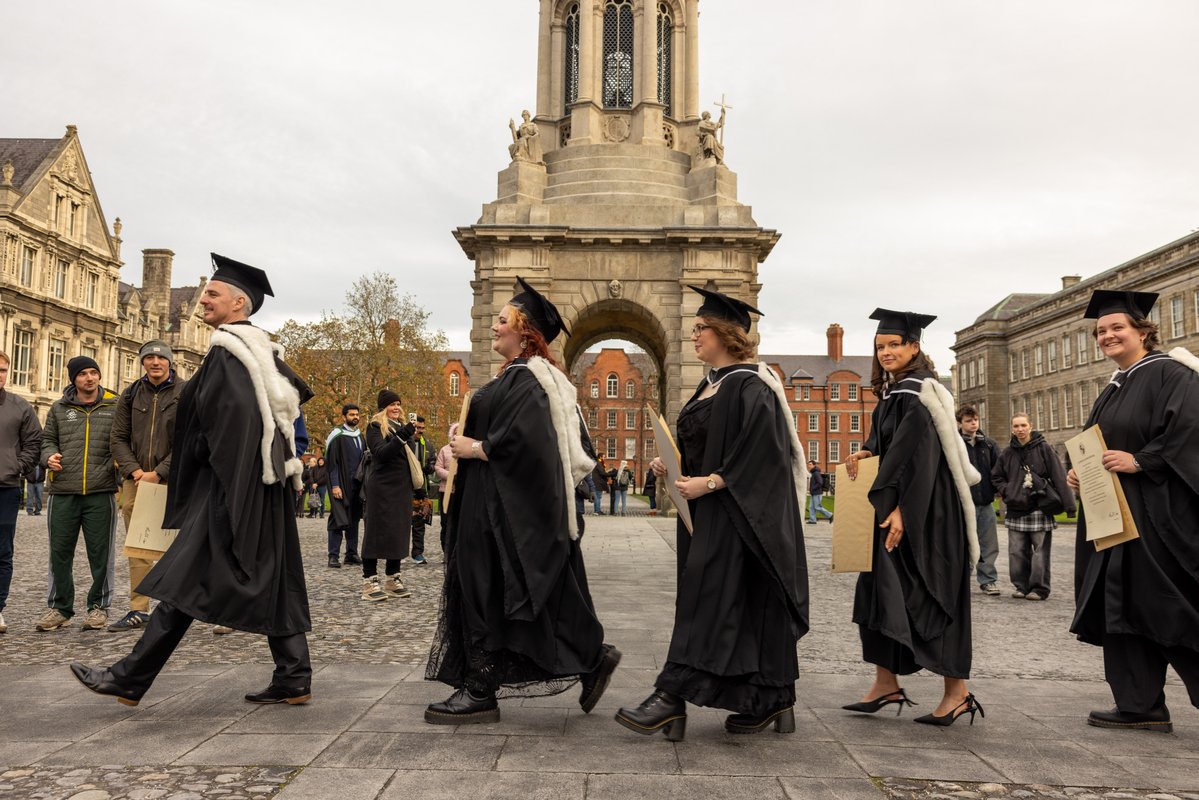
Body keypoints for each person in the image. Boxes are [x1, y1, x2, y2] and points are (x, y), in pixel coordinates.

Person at [70, 252, 314, 707]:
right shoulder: (262, 353)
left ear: (239, 303)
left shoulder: (228, 353)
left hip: (229, 489)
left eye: (213, 294)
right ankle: (294, 675)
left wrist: (214, 480)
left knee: (183, 583)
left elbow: (225, 427)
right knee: (275, 575)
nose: (203, 299)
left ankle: (129, 677)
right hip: (265, 487)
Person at [425, 277, 619, 726]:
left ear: (526, 329)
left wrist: (476, 448)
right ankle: (588, 658)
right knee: (495, 591)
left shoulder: (531, 380)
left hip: (501, 512)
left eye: (502, 320)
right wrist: (457, 453)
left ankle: (480, 689)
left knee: (488, 589)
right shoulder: (514, 377)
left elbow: (528, 442)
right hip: (486, 502)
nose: (494, 326)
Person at [617, 286, 808, 741]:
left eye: (702, 328)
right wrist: (673, 462)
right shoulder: (711, 383)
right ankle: (771, 698)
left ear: (726, 333)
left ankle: (670, 698)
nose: (694, 335)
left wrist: (714, 480)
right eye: (696, 327)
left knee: (706, 602)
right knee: (736, 605)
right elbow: (703, 443)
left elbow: (765, 454)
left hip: (736, 515)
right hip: (704, 514)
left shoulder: (751, 385)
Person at [841, 309, 984, 726]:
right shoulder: (896, 391)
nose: (886, 352)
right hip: (901, 506)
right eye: (880, 346)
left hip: (927, 514)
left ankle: (957, 693)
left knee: (932, 595)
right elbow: (889, 446)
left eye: (894, 345)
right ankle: (886, 683)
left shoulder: (919, 392)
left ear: (914, 347)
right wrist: (867, 451)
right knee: (882, 593)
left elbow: (918, 459)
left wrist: (903, 509)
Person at [1067, 290, 1199, 733]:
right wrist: (1080, 473)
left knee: (1168, 605)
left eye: (1116, 327)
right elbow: (1098, 445)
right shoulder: (1116, 385)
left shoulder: (1170, 374)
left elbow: (1189, 432)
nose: (1107, 336)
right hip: (1116, 517)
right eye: (1101, 331)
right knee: (1119, 606)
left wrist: (1141, 460)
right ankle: (1140, 704)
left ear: (1143, 330)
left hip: (1157, 515)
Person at [107, 340, 186, 633]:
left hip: (173, 479)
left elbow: (190, 438)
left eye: (160, 357)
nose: (155, 362)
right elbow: (118, 437)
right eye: (149, 357)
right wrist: (135, 471)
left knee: (174, 542)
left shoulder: (185, 392)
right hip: (136, 479)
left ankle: (174, 606)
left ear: (169, 362)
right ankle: (138, 608)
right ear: (143, 362)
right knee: (139, 544)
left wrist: (161, 471)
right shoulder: (130, 394)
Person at [37, 356, 120, 633]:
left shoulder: (114, 406)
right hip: (63, 492)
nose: (90, 378)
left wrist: (118, 466)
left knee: (101, 554)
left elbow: (123, 440)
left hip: (101, 491)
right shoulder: (59, 409)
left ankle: (98, 607)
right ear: (74, 378)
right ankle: (60, 608)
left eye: (94, 372)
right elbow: (46, 441)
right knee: (59, 552)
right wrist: (49, 456)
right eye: (83, 373)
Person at [992, 413, 1073, 601]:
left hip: (1040, 506)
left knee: (1040, 552)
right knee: (1016, 551)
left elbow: (1059, 476)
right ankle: (1021, 586)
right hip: (1015, 508)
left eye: (1023, 425)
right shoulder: (1007, 453)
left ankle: (1039, 589)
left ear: (1031, 426)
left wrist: (1070, 506)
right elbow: (996, 476)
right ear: (1012, 429)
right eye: (1016, 426)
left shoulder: (1044, 448)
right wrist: (1008, 490)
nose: (1020, 429)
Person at [361, 390, 418, 602]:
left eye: (399, 403)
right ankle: (369, 579)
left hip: (402, 488)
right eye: (392, 404)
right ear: (383, 407)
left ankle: (393, 578)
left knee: (398, 531)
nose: (397, 407)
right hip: (382, 488)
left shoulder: (402, 428)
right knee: (376, 531)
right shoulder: (374, 427)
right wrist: (403, 435)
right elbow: (382, 454)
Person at [1, 351, 43, 634]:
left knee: (2, 552)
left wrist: (18, 465)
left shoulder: (20, 406)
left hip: (5, 487)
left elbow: (34, 441)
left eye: (3, 369)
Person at [957, 405, 1001, 597]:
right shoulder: (954, 445)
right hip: (962, 504)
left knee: (988, 544)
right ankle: (960, 581)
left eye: (975, 419)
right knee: (962, 543)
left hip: (985, 502)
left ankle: (988, 581)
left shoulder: (989, 445)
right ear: (959, 423)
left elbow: (998, 471)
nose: (973, 423)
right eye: (968, 420)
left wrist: (998, 491)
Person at [325, 404, 365, 568]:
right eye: (351, 415)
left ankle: (351, 553)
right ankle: (333, 555)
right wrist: (335, 485)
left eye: (357, 414)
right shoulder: (337, 435)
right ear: (344, 417)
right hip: (341, 483)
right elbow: (332, 464)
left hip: (357, 484)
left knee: (354, 519)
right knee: (337, 518)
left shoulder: (360, 436)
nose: (355, 417)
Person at [408, 415, 431, 565]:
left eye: (422, 428)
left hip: (421, 489)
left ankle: (418, 553)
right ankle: (395, 551)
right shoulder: (404, 442)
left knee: (419, 522)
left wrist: (430, 466)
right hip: (405, 488)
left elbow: (432, 463)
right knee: (401, 521)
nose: (420, 431)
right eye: (417, 428)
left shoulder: (427, 445)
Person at [433, 437, 453, 535]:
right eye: (455, 432)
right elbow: (438, 468)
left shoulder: (466, 451)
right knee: (445, 522)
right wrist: (451, 476)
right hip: (445, 491)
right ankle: (445, 546)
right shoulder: (444, 450)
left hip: (462, 491)